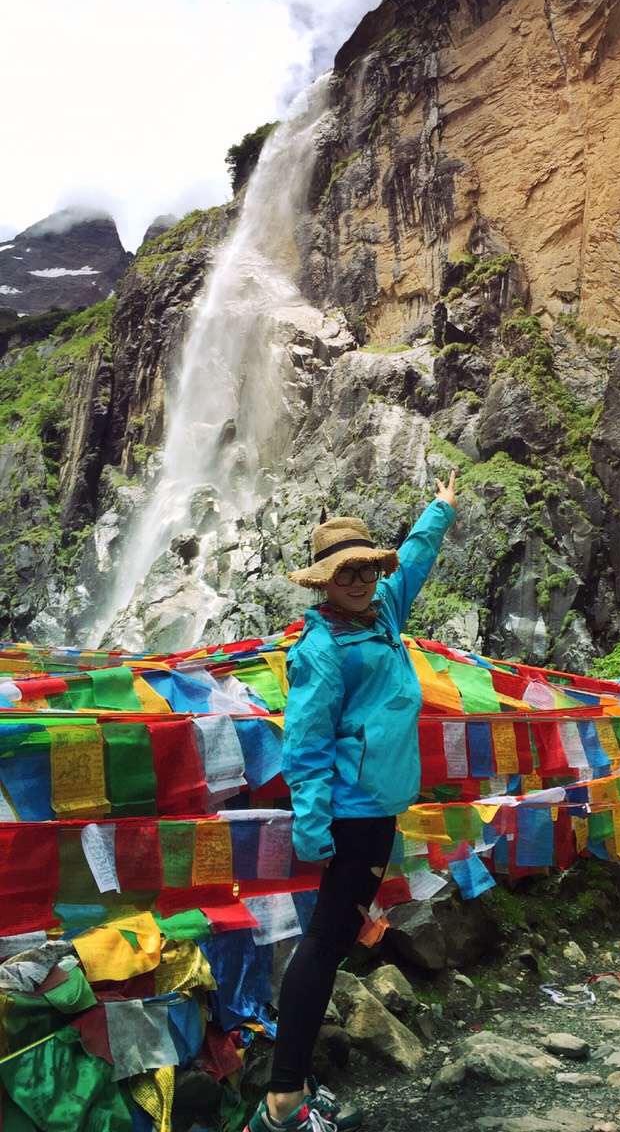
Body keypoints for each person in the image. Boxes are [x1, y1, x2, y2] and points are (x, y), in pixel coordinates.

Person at [245, 472, 458, 1132]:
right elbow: (304, 746)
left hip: (379, 809)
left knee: (327, 941)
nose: (361, 579)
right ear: (324, 582)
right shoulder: (323, 649)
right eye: (346, 572)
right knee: (322, 945)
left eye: (366, 566)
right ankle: (282, 1103)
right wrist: (314, 827)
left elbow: (415, 563)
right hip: (354, 814)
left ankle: (293, 1085)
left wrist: (441, 509)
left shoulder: (382, 614)